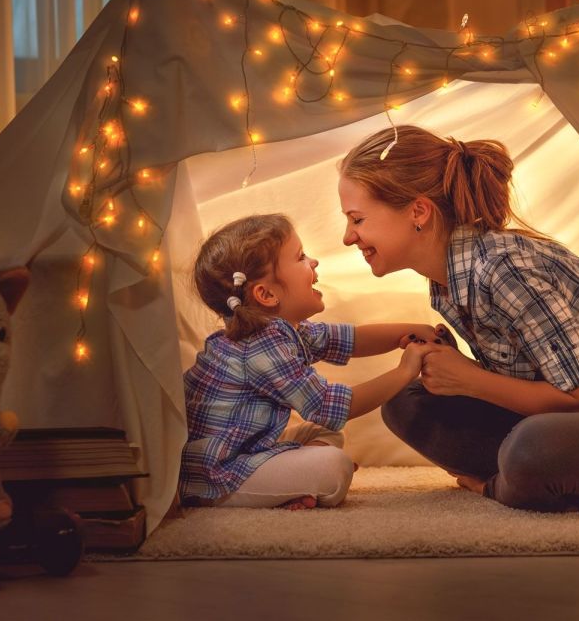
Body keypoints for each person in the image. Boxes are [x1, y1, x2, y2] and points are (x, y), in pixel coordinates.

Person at [337, 126, 579, 512]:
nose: (348, 238)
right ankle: (528, 477)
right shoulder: (448, 281)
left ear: (418, 212)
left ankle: (504, 485)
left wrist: (470, 379)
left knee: (533, 447)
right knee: (405, 401)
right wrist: (456, 371)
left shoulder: (504, 269)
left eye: (357, 219)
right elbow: (533, 381)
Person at [181, 213, 441, 510]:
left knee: (323, 434)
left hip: (246, 449)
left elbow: (350, 339)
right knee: (334, 466)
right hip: (218, 474)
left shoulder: (282, 331)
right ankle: (300, 482)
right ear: (266, 294)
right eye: (301, 256)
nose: (313, 262)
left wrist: (407, 332)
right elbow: (330, 406)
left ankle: (294, 484)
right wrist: (406, 371)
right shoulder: (258, 347)